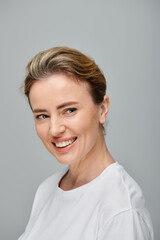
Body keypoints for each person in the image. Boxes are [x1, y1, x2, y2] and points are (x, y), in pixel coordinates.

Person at [18, 47, 154, 240]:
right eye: (42, 115)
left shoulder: (121, 210)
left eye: (69, 110)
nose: (54, 129)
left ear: (102, 109)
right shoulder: (46, 190)